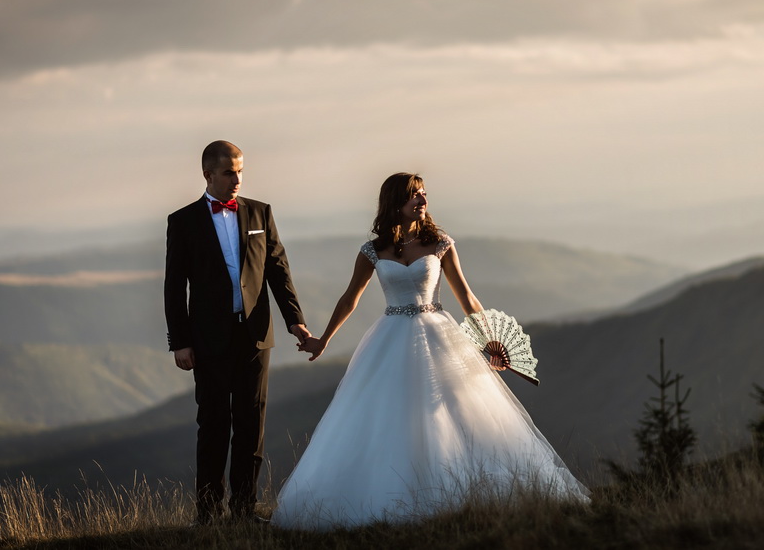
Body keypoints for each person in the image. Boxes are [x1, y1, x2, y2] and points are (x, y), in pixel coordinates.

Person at [272, 172, 589, 529]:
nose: (422, 200)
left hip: (439, 334)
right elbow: (350, 299)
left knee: (453, 413)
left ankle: (453, 490)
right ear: (394, 203)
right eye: (414, 195)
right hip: (390, 338)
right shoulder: (373, 251)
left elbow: (466, 296)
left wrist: (489, 340)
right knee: (390, 416)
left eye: (424, 194)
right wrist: (324, 339)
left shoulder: (440, 243)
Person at [164, 140, 311, 525]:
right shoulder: (182, 221)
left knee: (251, 424)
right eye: (229, 172)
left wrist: (295, 319)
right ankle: (208, 515)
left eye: (240, 171)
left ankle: (244, 510)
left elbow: (278, 269)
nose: (237, 179)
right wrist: (179, 342)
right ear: (208, 174)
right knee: (213, 424)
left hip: (255, 336)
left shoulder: (260, 212)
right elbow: (173, 286)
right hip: (208, 339)